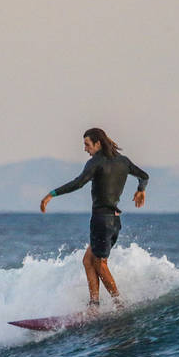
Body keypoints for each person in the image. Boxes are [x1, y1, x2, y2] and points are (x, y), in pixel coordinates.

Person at [40, 127, 149, 310]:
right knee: (88, 261)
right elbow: (144, 176)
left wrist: (52, 194)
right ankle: (94, 305)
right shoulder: (123, 161)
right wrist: (141, 190)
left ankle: (119, 304)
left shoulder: (96, 162)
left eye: (87, 144)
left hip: (101, 220)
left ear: (98, 143)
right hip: (114, 222)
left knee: (99, 263)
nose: (85, 149)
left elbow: (78, 182)